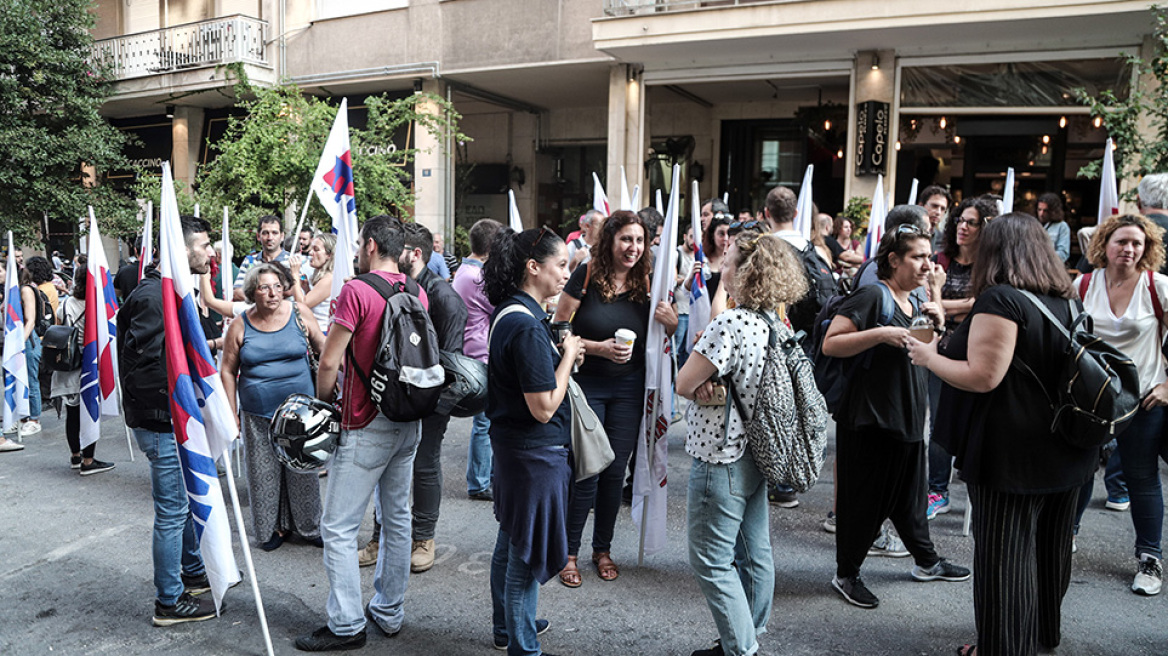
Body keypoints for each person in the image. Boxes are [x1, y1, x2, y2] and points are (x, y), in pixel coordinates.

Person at [907, 213, 1096, 655]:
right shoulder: (1068, 299)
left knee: (1005, 559)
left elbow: (983, 376)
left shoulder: (1001, 299)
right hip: (1068, 445)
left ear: (995, 251)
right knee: (1050, 551)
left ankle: (1003, 647)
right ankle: (1042, 633)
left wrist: (928, 357)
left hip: (1013, 453)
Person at [295, 216, 429, 652]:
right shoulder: (416, 290)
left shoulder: (357, 291)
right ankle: (389, 610)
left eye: (358, 245)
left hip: (364, 420)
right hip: (408, 418)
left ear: (370, 245)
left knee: (337, 527)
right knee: (396, 519)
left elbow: (329, 360)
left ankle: (346, 623)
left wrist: (322, 404)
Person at [822, 225, 970, 610]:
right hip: (870, 421)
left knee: (910, 498)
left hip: (907, 417)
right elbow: (832, 343)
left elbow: (924, 351)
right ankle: (846, 574)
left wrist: (937, 313)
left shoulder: (915, 299)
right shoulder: (875, 295)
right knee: (864, 502)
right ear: (893, 260)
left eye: (929, 256)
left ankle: (926, 561)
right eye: (918, 257)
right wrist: (881, 334)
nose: (927, 265)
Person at [677, 232, 806, 656]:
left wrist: (702, 375)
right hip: (759, 450)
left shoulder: (729, 324)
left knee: (711, 560)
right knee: (754, 551)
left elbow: (683, 382)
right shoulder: (775, 321)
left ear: (746, 272)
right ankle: (746, 633)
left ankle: (742, 647)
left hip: (720, 453)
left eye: (728, 262)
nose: (721, 268)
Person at [552, 211, 677, 588]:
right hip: (588, 384)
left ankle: (602, 549)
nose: (633, 248)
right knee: (586, 469)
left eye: (639, 241)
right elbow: (559, 327)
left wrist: (672, 322)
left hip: (629, 388)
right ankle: (568, 552)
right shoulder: (587, 273)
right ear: (609, 241)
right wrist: (598, 348)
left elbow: (665, 335)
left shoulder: (648, 281)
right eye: (626, 239)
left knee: (614, 471)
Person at [482, 225, 580, 656]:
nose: (566, 274)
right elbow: (543, 407)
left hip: (513, 448)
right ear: (533, 267)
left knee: (511, 541)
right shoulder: (525, 325)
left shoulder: (510, 311)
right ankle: (523, 645)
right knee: (525, 555)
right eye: (560, 265)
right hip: (533, 453)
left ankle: (507, 627)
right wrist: (569, 358)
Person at [118, 215, 220, 626]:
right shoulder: (154, 297)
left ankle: (192, 573)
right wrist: (177, 400)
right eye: (205, 245)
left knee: (185, 502)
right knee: (173, 511)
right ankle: (169, 601)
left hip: (173, 417)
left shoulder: (170, 291)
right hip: (162, 420)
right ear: (182, 249)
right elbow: (146, 368)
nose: (211, 252)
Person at [1072, 214, 1168, 596]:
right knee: (1079, 470)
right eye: (1121, 242)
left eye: (1137, 243)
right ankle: (1065, 535)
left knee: (1141, 476)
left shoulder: (1157, 286)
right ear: (1104, 245)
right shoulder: (1083, 284)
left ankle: (1149, 558)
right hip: (1093, 399)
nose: (1129, 249)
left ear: (1147, 249)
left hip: (1144, 399)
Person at [220, 263, 326, 552]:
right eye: (265, 287)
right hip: (258, 413)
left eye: (278, 286)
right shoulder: (240, 324)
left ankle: (309, 526)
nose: (273, 293)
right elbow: (227, 370)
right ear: (252, 292)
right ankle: (271, 528)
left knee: (302, 472)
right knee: (263, 474)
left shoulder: (299, 313)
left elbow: (323, 346)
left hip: (300, 413)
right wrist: (231, 412)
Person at [400, 221, 468, 574]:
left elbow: (450, 359)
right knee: (391, 468)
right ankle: (383, 535)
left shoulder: (444, 297)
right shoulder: (395, 285)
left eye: (397, 247)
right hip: (397, 394)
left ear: (415, 254)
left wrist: (434, 401)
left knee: (424, 465)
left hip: (431, 396)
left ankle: (424, 537)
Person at [927, 196, 997, 521]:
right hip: (940, 348)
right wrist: (964, 305)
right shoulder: (940, 258)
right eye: (960, 220)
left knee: (974, 422)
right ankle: (937, 490)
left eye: (972, 222)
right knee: (939, 422)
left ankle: (975, 490)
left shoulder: (991, 264)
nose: (963, 227)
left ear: (985, 228)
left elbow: (986, 302)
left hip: (976, 349)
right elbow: (927, 299)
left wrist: (944, 304)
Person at [451, 218, 505, 509]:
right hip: (480, 354)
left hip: (474, 351)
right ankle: (480, 482)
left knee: (485, 421)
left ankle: (483, 478)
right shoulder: (476, 277)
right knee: (485, 422)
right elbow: (500, 305)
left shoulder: (466, 271)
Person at [50, 261, 115, 475]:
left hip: (67, 363)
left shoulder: (66, 303)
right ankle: (88, 460)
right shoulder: (96, 305)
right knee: (89, 410)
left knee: (72, 412)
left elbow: (59, 328)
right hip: (88, 362)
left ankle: (75, 455)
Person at [14, 266, 44, 437]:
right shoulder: (13, 291)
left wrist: (19, 343)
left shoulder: (25, 290)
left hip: (27, 341)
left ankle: (34, 419)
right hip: (18, 340)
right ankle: (23, 417)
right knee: (18, 380)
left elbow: (30, 321)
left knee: (31, 380)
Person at [233, 215, 289, 301]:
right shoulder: (250, 261)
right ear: (258, 236)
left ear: (282, 236)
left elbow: (294, 291)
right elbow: (237, 292)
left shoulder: (292, 261)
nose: (270, 238)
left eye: (274, 233)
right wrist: (262, 303)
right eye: (265, 233)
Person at [290, 232, 336, 333]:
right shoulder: (326, 277)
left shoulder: (329, 279)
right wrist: (307, 289)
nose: (311, 253)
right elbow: (316, 306)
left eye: (316, 249)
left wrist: (294, 274)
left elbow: (302, 305)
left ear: (329, 255)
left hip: (321, 332)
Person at [1036, 193, 1071, 264]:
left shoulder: (1062, 226)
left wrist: (1044, 258)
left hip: (1051, 266)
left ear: (1053, 211)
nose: (1041, 214)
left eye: (1045, 211)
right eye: (1039, 210)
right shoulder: (1034, 224)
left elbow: (1063, 253)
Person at [918, 185, 951, 252]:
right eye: (934, 206)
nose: (938, 212)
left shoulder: (944, 241)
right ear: (921, 205)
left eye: (942, 209)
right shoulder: (906, 233)